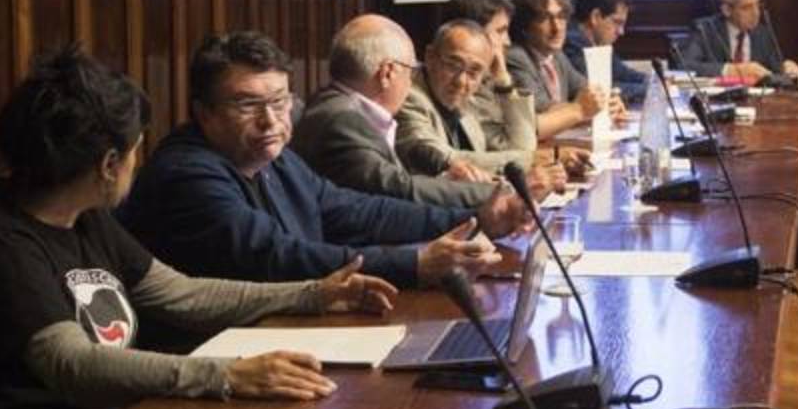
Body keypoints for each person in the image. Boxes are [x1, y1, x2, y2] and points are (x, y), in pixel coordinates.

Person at [0, 46, 399, 409]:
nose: (137, 163)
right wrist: (227, 375)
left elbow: (181, 294)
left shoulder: (86, 218)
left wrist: (312, 294)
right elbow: (73, 364)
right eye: (135, 150)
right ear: (109, 164)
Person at [120, 31, 528, 292]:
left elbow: (357, 211)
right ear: (204, 112)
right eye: (247, 105)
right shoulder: (187, 174)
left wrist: (475, 218)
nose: (270, 121)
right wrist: (415, 264)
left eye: (279, 101)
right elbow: (278, 257)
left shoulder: (274, 158)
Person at [291, 15, 515, 209]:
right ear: (388, 73)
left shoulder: (339, 108)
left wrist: (446, 179)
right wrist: (501, 193)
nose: (411, 81)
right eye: (411, 70)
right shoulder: (342, 120)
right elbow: (398, 190)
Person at [443, 0, 582, 185]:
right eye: (501, 32)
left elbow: (523, 148)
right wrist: (552, 154)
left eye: (562, 17)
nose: (507, 42)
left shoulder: (487, 82)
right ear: (473, 35)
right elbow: (521, 148)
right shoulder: (465, 88)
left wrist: (502, 79)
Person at [396, 19, 537, 176]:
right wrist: (524, 159)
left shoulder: (469, 102)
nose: (461, 81)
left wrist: (503, 82)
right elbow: (444, 159)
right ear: (430, 57)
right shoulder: (407, 96)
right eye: (453, 66)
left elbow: (521, 146)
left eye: (474, 71)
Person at [506, 0, 625, 140]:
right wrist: (588, 108)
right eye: (545, 19)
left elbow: (587, 90)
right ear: (525, 26)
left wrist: (608, 102)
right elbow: (541, 110)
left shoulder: (557, 56)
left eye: (561, 17)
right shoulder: (516, 57)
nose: (557, 28)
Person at [677, 0, 798, 79]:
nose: (756, 13)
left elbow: (774, 69)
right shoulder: (705, 30)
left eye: (757, 5)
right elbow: (685, 66)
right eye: (746, 7)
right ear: (727, 10)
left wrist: (786, 68)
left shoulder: (762, 34)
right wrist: (733, 70)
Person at [563, 0, 649, 103]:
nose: (621, 32)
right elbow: (600, 90)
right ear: (596, 17)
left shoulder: (599, 42)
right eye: (617, 22)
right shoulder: (571, 43)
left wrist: (656, 81)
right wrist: (652, 90)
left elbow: (623, 73)